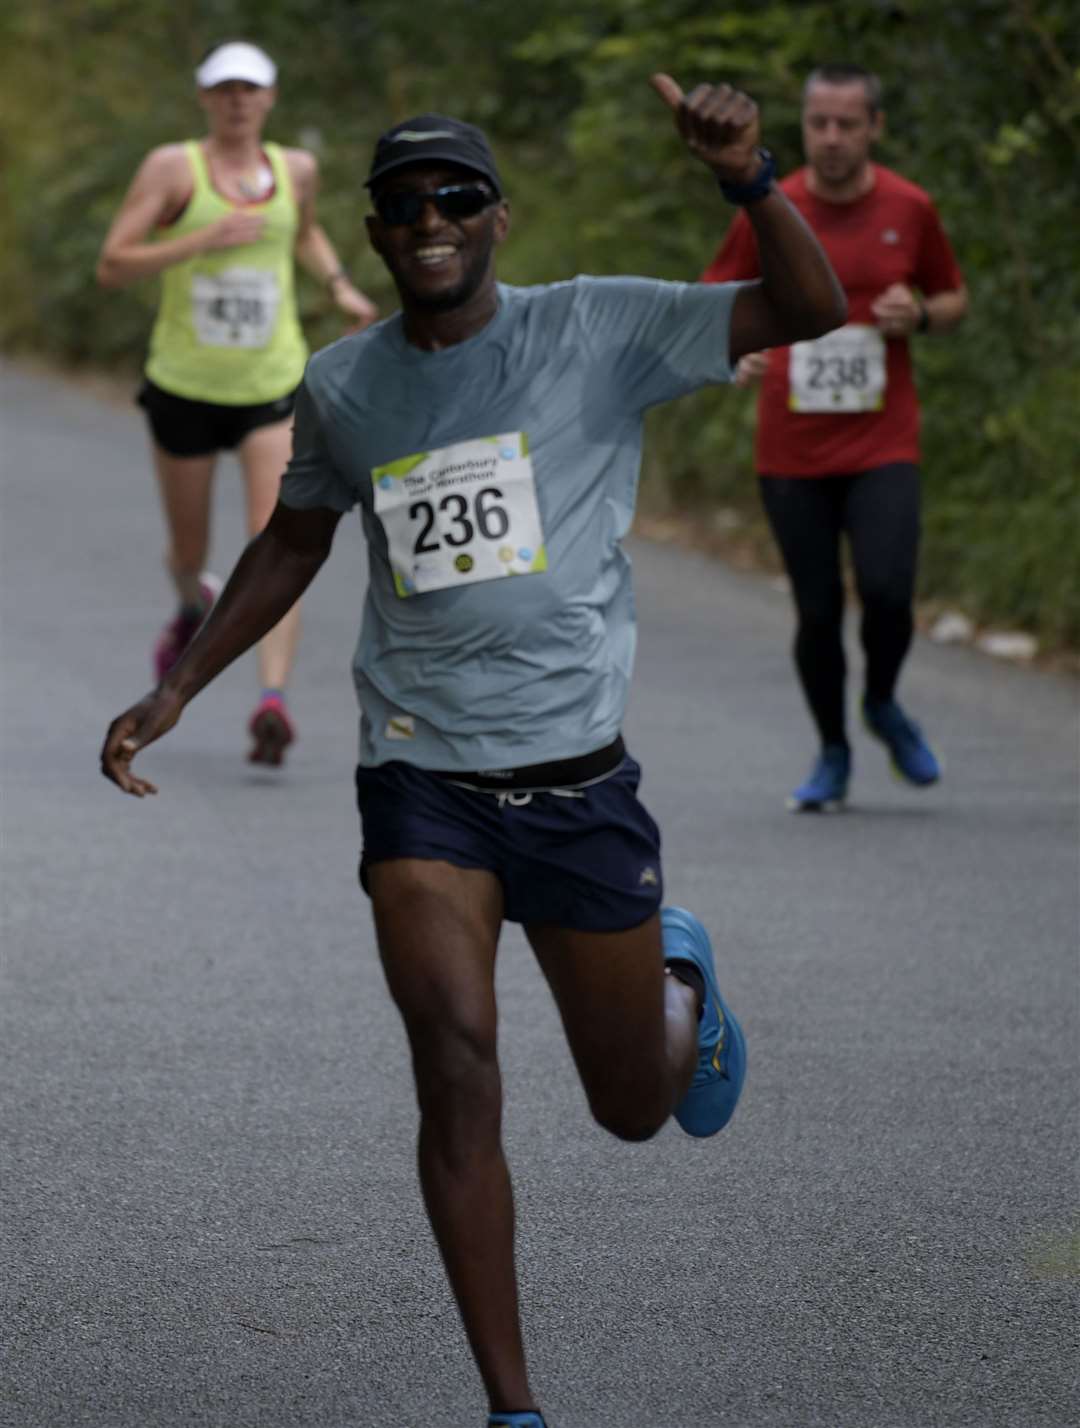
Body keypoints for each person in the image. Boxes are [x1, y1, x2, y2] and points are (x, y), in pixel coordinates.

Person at [102, 74, 845, 1427]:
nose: (428, 220)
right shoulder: (342, 384)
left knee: (632, 1105)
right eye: (402, 205)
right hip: (421, 775)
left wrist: (749, 180)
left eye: (454, 198)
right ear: (377, 233)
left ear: (496, 217)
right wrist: (181, 689)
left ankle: (682, 972)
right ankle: (513, 1408)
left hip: (576, 783)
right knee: (454, 1053)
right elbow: (292, 539)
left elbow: (812, 313)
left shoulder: (600, 328)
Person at [96, 39, 378, 765]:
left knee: (276, 537)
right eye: (224, 90)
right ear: (204, 98)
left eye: (250, 89)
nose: (237, 101)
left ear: (271, 97)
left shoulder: (295, 170)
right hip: (185, 386)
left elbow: (305, 230)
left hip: (270, 385)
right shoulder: (172, 169)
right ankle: (192, 605)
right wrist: (199, 240)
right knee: (190, 551)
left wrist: (339, 283)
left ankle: (272, 701)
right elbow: (113, 264)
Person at [702, 63, 967, 812]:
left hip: (884, 441)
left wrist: (918, 314)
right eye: (818, 122)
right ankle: (833, 750)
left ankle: (881, 701)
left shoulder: (909, 207)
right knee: (817, 611)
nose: (831, 137)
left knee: (886, 591)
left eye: (847, 123)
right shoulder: (769, 206)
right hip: (791, 448)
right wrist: (734, 345)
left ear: (874, 127)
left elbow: (953, 298)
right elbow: (713, 295)